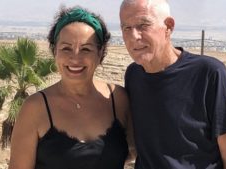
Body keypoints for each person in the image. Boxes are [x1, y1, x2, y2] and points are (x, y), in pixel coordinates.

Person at [120, 0, 226, 169]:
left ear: (169, 26)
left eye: (143, 25)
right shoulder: (133, 75)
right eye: (126, 28)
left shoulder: (208, 72)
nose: (134, 36)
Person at [9, 6, 134, 169]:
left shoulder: (118, 99)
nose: (75, 58)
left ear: (100, 51)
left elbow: (140, 153)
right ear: (55, 51)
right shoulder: (35, 108)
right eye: (66, 48)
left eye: (86, 49)